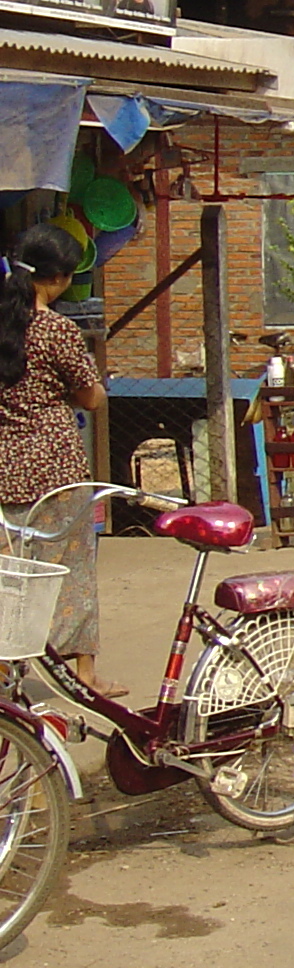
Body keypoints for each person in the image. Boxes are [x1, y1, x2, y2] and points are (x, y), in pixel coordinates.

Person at [0, 224, 115, 697]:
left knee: (10, 572)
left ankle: (6, 668)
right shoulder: (55, 330)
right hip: (54, 469)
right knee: (72, 569)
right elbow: (91, 398)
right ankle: (82, 673)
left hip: (4, 465)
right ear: (61, 278)